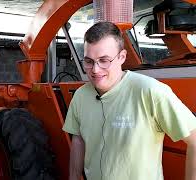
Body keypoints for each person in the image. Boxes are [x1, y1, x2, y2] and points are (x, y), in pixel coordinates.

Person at [62, 21, 196, 180]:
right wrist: (74, 176)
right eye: (89, 61)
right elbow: (78, 139)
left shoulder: (150, 92)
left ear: (121, 57)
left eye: (104, 60)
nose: (95, 70)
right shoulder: (80, 96)